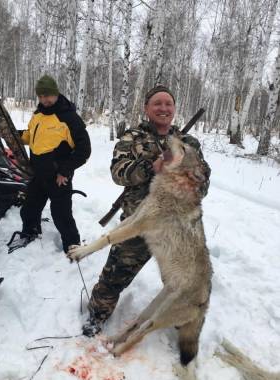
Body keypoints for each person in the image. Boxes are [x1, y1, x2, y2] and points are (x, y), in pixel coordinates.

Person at [82, 85, 211, 337]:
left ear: (174, 109)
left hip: (177, 231)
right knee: (114, 277)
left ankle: (183, 326)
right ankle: (97, 315)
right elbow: (118, 173)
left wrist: (186, 175)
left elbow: (203, 184)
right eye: (157, 103)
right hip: (140, 223)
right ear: (146, 108)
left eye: (168, 104)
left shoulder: (188, 143)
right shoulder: (133, 138)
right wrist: (150, 166)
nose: (163, 108)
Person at [16, 75, 91, 253]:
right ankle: (30, 232)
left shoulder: (69, 118)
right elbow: (30, 136)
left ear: (56, 94)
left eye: (48, 95)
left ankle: (72, 246)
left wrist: (64, 171)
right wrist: (14, 136)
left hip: (59, 177)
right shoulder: (38, 115)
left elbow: (84, 150)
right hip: (38, 174)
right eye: (41, 96)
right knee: (29, 209)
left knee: (61, 215)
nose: (45, 100)